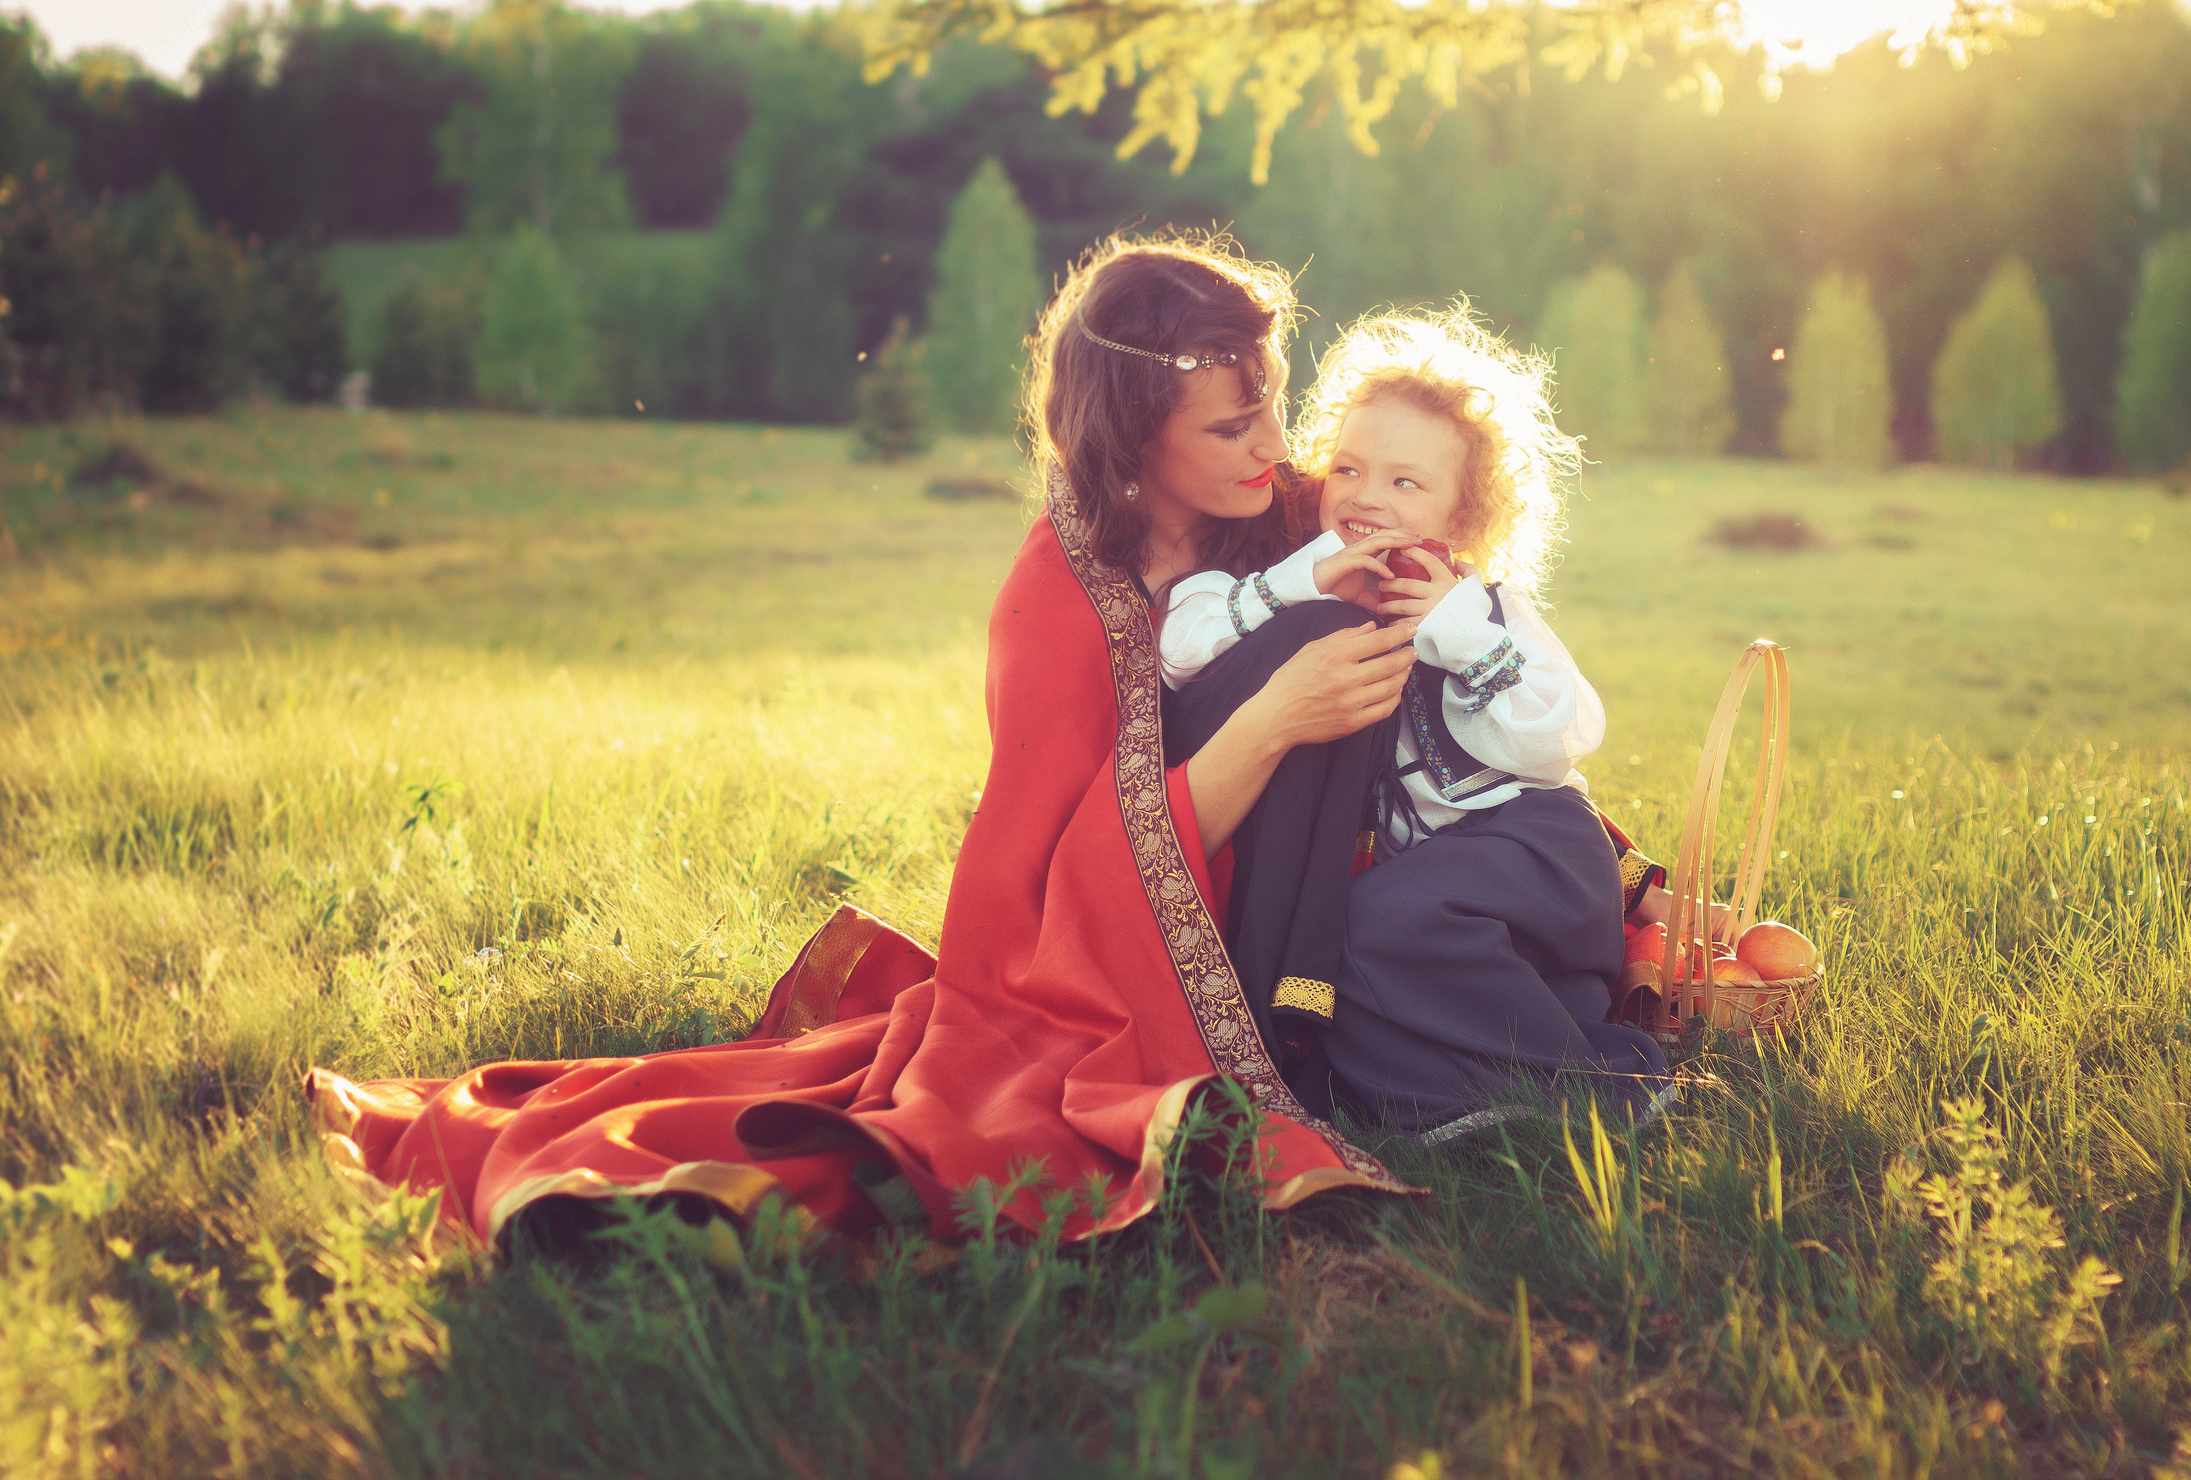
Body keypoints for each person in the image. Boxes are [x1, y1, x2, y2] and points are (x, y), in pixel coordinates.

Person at [306, 233, 1430, 1247]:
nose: (1277, 448)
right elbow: (1043, 893)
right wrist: (1277, 719)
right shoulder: (1058, 604)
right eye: (1234, 426)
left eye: (1274, 409)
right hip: (1109, 955)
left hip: (1310, 879)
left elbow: (1448, 649)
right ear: (1137, 434)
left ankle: (1337, 1017)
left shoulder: (1281, 514)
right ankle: (1290, 1059)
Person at [1158, 307, 1668, 1133]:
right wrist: (1301, 583)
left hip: (1537, 859)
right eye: (1350, 469)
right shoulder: (1307, 580)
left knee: (1383, 919)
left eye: (1406, 482)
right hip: (1450, 916)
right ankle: (1465, 1097)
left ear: (1462, 521)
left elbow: (1558, 734)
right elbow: (1181, 644)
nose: (1366, 497)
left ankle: (1608, 1087)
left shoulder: (1489, 607)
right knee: (1350, 941)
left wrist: (1458, 627)